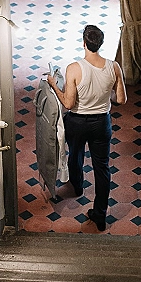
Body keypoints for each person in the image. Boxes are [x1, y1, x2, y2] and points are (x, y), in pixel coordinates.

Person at [47, 24, 127, 231]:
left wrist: (54, 84)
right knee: (102, 168)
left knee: (75, 155)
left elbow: (68, 104)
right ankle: (100, 215)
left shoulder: (74, 68)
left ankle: (77, 187)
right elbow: (121, 99)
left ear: (84, 43)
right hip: (101, 123)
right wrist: (102, 93)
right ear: (100, 44)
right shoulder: (114, 67)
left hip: (77, 122)